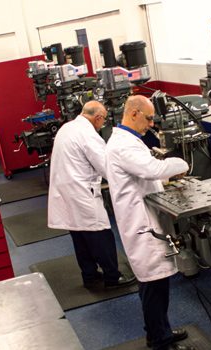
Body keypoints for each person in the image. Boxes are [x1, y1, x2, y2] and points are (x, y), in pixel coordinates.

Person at [105, 95, 194, 350]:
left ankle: (159, 331)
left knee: (155, 282)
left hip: (144, 219)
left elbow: (146, 174)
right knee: (154, 284)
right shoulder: (124, 145)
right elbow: (152, 170)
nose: (151, 124)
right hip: (142, 225)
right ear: (133, 113)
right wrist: (181, 163)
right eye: (149, 118)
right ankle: (160, 340)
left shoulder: (128, 141)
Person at [48, 100, 136, 289]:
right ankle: (113, 277)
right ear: (97, 118)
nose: (102, 124)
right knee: (101, 234)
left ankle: (89, 275)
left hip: (65, 190)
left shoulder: (67, 127)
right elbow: (107, 167)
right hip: (81, 192)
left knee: (79, 234)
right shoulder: (88, 135)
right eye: (103, 120)